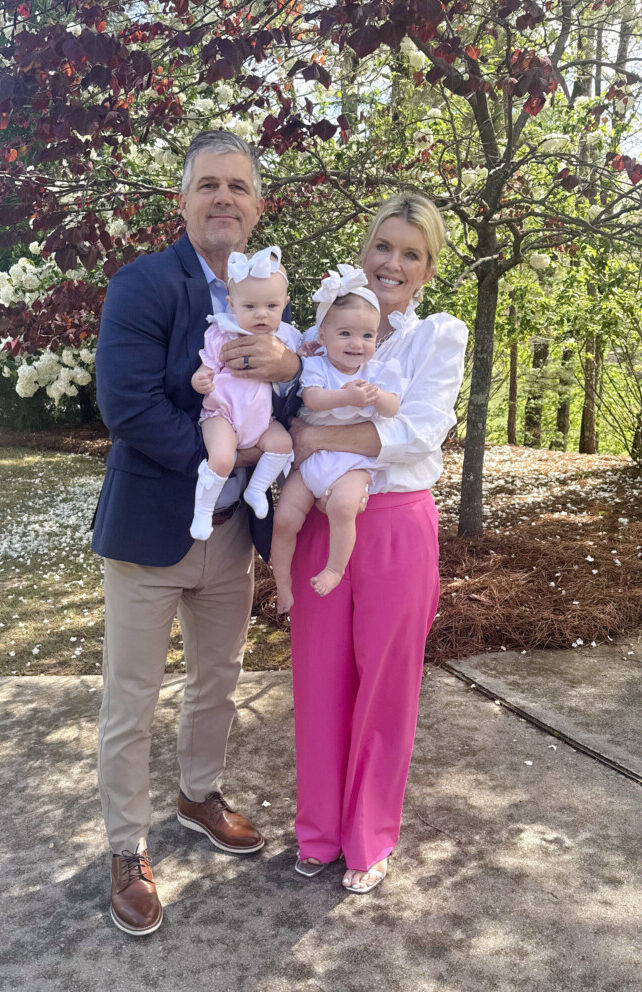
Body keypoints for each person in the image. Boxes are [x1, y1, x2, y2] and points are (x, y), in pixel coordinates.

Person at [92, 130, 300, 935]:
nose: (224, 198)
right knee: (131, 698)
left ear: (256, 206)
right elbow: (129, 405)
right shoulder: (143, 285)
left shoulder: (272, 293)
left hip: (233, 535)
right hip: (152, 527)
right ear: (184, 201)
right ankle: (124, 846)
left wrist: (288, 378)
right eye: (208, 184)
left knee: (218, 677)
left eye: (238, 187)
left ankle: (197, 794)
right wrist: (234, 456)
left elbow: (301, 394)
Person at [287, 191, 469, 893]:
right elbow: (288, 395)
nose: (393, 264)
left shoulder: (439, 336)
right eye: (384, 248)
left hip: (396, 525)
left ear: (427, 269)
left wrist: (315, 437)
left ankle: (368, 838)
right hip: (323, 527)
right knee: (319, 678)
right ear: (365, 254)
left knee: (386, 686)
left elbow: (417, 432)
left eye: (411, 254)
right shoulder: (325, 327)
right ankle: (320, 833)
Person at [271, 266, 404, 613]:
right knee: (284, 519)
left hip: (350, 462)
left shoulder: (377, 372)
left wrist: (377, 397)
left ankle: (334, 568)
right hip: (311, 461)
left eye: (367, 335)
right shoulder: (316, 366)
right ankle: (282, 585)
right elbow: (312, 400)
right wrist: (346, 397)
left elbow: (393, 409)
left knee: (344, 507)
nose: (356, 344)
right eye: (345, 333)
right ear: (324, 335)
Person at [189, 246, 299, 540]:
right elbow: (208, 363)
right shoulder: (222, 331)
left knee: (282, 443)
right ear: (232, 304)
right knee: (222, 458)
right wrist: (201, 377)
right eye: (250, 307)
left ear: (284, 303)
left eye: (271, 307)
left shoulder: (286, 336)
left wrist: (305, 354)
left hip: (261, 419)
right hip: (222, 414)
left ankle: (257, 488)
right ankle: (203, 512)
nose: (261, 314)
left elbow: (303, 360)